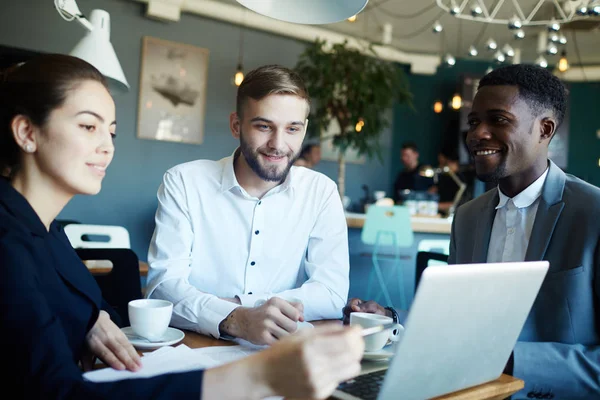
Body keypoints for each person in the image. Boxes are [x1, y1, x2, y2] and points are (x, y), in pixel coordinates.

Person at [0, 53, 365, 399]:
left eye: (110, 131)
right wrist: (253, 365)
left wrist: (90, 319)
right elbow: (56, 389)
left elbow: (84, 310)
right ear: (27, 133)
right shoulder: (10, 242)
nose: (107, 147)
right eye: (88, 126)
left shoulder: (46, 232)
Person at [343, 64, 600, 399]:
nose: (477, 134)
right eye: (474, 122)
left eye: (499, 120)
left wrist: (506, 359)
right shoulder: (467, 217)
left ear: (545, 129)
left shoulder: (593, 214)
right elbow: (458, 323)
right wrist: (391, 317)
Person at [146, 65, 349, 346]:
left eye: (292, 129)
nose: (278, 144)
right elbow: (162, 290)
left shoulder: (321, 192)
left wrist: (242, 304)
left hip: (283, 354)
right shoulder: (183, 182)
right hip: (196, 350)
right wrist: (238, 319)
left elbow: (331, 293)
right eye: (264, 126)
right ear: (236, 125)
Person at [429, 148, 465, 216]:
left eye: (441, 162)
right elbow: (433, 191)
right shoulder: (444, 177)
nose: (440, 165)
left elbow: (459, 203)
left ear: (449, 161)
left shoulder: (459, 180)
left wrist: (434, 206)